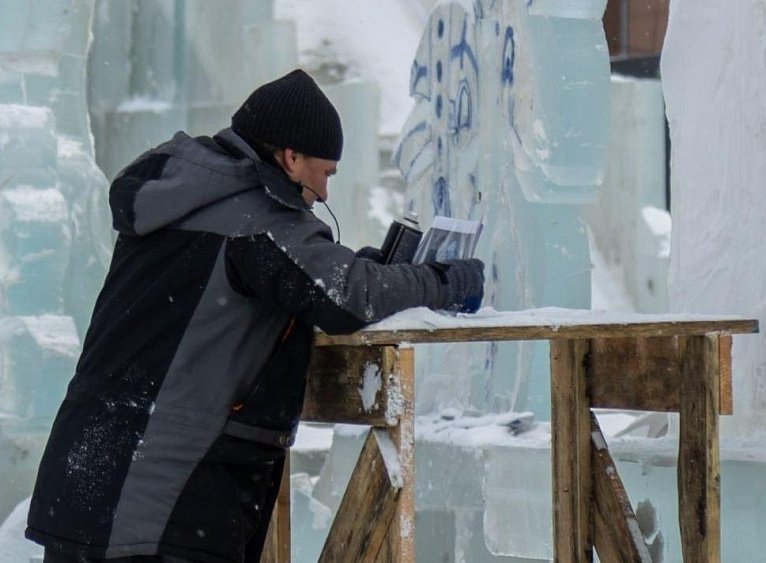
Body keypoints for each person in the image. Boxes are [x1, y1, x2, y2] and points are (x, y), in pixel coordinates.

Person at [26, 69, 485, 563]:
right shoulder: (255, 217)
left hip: (89, 470)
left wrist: (357, 269)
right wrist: (445, 281)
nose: (325, 194)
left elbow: (303, 282)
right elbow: (348, 297)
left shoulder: (191, 192)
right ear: (290, 158)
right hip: (167, 489)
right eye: (325, 172)